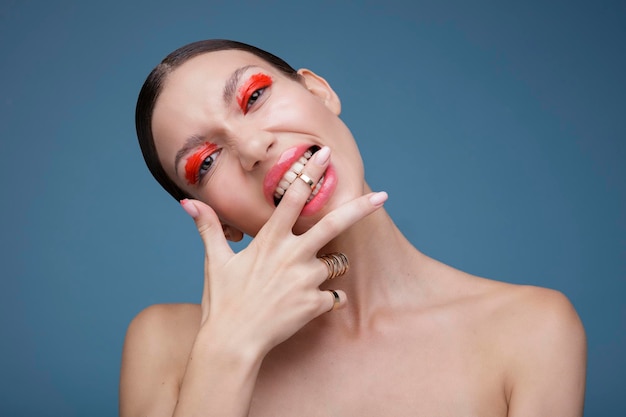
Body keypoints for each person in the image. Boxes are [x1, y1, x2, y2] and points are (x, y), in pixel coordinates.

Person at [120, 39, 586, 417]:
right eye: (206, 162)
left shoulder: (531, 331)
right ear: (217, 219)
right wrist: (229, 349)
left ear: (319, 92)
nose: (254, 147)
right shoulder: (166, 345)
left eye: (255, 96)